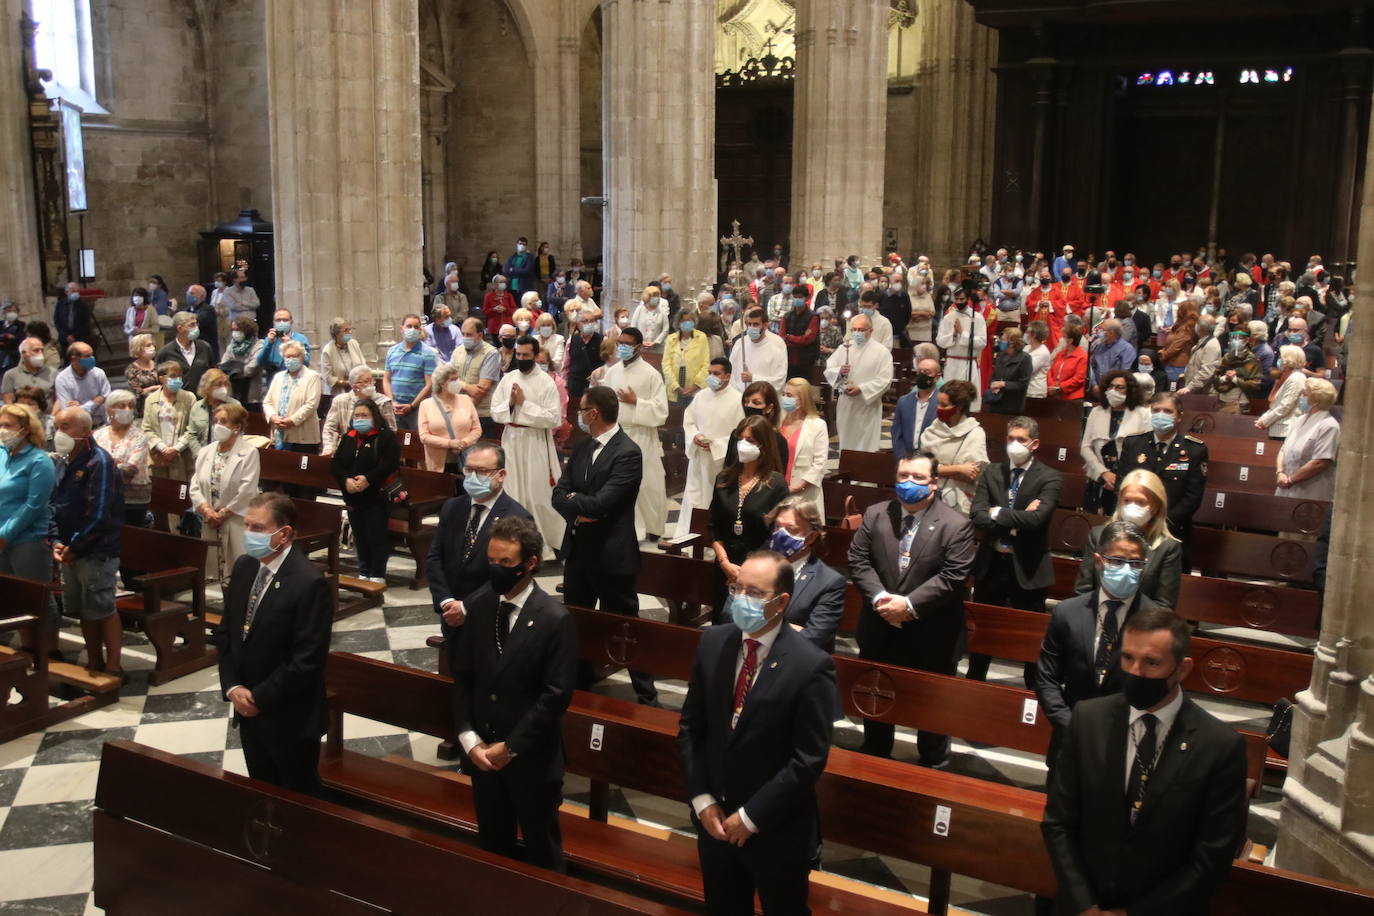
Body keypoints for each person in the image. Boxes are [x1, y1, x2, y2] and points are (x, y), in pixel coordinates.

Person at [1041, 607, 1248, 916]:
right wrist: (1085, 905)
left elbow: (1211, 857)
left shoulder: (1219, 746)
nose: (1135, 671)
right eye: (1127, 658)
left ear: (1182, 669)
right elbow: (1059, 821)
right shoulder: (1088, 719)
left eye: (1151, 662)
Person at [678, 549, 837, 914]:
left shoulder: (811, 665)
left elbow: (807, 759)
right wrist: (702, 801)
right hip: (714, 822)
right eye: (737, 589)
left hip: (775, 831)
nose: (741, 599)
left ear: (781, 602)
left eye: (755, 593)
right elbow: (691, 729)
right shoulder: (713, 642)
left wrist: (750, 818)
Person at [451, 515, 576, 871]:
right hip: (483, 757)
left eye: (505, 562)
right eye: (491, 561)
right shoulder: (482, 608)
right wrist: (470, 739)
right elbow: (463, 676)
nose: (496, 569)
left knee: (542, 853)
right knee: (492, 850)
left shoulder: (555, 619)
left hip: (530, 760)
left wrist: (511, 747)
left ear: (530, 563)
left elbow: (555, 696)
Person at [848, 450, 976, 764]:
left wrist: (908, 604)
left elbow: (953, 576)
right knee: (876, 702)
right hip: (880, 626)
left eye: (918, 477)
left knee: (931, 711)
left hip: (932, 633)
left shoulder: (956, 524)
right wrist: (880, 598)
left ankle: (932, 762)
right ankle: (875, 755)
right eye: (903, 476)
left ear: (933, 483)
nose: (909, 482)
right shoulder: (878, 513)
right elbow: (858, 560)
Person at [214, 494, 332, 792]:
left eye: (259, 528)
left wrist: (258, 699)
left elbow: (306, 660)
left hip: (289, 716)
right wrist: (233, 687)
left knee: (296, 797)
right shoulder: (245, 567)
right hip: (247, 709)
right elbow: (227, 632)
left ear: (285, 533)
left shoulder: (309, 582)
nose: (249, 533)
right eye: (248, 525)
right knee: (261, 792)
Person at [553, 386, 656, 705]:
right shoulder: (584, 446)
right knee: (577, 621)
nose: (578, 416)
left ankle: (646, 695)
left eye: (581, 410)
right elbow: (558, 494)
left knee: (624, 626)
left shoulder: (628, 452)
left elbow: (603, 504)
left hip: (612, 555)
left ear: (593, 413)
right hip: (579, 550)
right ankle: (580, 685)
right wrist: (579, 507)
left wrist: (579, 505)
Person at [1036, 520, 1162, 772]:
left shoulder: (1158, 622)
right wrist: (1071, 726)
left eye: (1136, 563)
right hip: (1069, 743)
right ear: (1098, 561)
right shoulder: (1067, 613)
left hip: (1127, 749)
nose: (1126, 569)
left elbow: (1160, 691)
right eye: (1116, 561)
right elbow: (1046, 679)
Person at [968, 417, 1062, 682]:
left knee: (1030, 639)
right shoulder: (992, 472)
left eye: (1021, 440)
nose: (1014, 444)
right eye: (1011, 439)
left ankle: (1031, 691)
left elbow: (1037, 521)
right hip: (992, 565)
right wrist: (1016, 519)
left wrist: (997, 513)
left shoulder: (1050, 477)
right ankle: (975, 683)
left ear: (1034, 444)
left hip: (1029, 568)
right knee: (983, 632)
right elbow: (977, 515)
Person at [426, 444, 533, 669]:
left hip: (490, 619)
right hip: (450, 616)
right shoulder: (452, 507)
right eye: (469, 470)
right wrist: (446, 602)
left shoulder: (517, 518)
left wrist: (466, 607)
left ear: (501, 475)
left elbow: (507, 576)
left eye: (482, 471)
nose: (474, 477)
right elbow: (435, 557)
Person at [52, 406, 125, 678]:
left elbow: (99, 513)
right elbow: (56, 504)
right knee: (84, 609)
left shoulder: (100, 462)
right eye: (58, 426)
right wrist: (57, 542)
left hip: (97, 550)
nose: (59, 433)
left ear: (84, 431)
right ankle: (94, 661)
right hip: (70, 549)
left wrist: (76, 547)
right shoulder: (63, 460)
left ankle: (114, 666)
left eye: (66, 426)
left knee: (102, 607)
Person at [492, 336, 566, 555]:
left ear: (535, 355)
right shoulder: (508, 379)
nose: (521, 359)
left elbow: (553, 419)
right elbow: (495, 411)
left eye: (526, 355)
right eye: (518, 354)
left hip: (535, 442)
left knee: (538, 493)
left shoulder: (546, 382)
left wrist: (525, 404)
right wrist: (511, 404)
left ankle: (543, 541)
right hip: (512, 440)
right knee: (512, 490)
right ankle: (514, 541)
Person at [709, 416, 791, 612]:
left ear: (764, 445)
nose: (743, 445)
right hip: (724, 567)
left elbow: (777, 535)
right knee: (723, 624)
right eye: (740, 439)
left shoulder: (776, 484)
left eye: (751, 441)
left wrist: (747, 570)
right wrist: (725, 563)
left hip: (760, 571)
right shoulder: (724, 478)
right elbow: (714, 526)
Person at [1116, 393, 1207, 569]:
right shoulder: (1134, 443)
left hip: (1173, 530)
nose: (1161, 414)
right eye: (1156, 410)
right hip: (1133, 525)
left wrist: (1159, 523)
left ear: (1179, 416)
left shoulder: (1195, 450)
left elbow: (1192, 498)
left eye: (1167, 411)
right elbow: (1121, 485)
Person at [1073, 469, 1182, 608]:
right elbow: (1083, 592)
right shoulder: (1098, 536)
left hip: (1142, 625)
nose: (1132, 506)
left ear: (1156, 506)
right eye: (1127, 500)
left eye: (1141, 502)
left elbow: (1164, 605)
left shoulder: (1168, 548)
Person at [603, 327, 670, 541]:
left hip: (642, 435)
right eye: (620, 343)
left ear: (638, 347)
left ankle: (652, 528)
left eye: (627, 344)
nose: (622, 347)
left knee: (648, 484)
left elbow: (661, 412)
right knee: (615, 484)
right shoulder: (612, 372)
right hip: (615, 434)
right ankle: (619, 526)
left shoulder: (651, 374)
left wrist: (636, 402)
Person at [0, 402, 57, 641]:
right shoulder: (2, 454)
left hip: (27, 539)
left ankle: (49, 650)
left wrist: (4, 534)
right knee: (9, 596)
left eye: (7, 426)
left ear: (24, 429)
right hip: (1, 539)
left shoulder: (39, 461)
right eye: (0, 425)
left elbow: (33, 506)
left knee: (36, 597)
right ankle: (24, 648)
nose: (2, 430)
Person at [330, 398, 400, 584]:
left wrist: (368, 479)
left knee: (375, 535)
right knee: (359, 535)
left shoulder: (385, 436)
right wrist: (345, 480)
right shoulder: (348, 437)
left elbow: (391, 463)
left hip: (376, 496)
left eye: (365, 415)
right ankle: (364, 570)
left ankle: (377, 574)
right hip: (352, 496)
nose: (360, 418)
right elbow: (337, 464)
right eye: (357, 415)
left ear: (374, 417)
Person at [190, 403, 260, 584]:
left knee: (237, 573)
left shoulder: (249, 452)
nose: (218, 426)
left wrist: (222, 514)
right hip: (209, 519)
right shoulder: (206, 451)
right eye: (216, 421)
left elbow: (247, 490)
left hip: (235, 519)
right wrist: (206, 510)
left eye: (224, 422)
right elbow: (195, 484)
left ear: (237, 427)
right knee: (214, 570)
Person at [677, 358, 745, 540]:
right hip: (699, 458)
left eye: (716, 374)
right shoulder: (700, 396)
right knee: (693, 496)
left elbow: (739, 432)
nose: (711, 377)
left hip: (720, 462)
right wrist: (696, 437)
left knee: (713, 500)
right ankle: (686, 537)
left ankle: (711, 541)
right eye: (709, 373)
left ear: (727, 376)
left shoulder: (738, 400)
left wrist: (716, 444)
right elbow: (689, 421)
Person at [767, 498, 845, 651]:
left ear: (811, 537)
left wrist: (760, 625)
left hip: (794, 663)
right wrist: (790, 628)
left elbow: (815, 638)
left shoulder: (830, 582)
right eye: (777, 527)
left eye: (791, 530)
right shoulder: (755, 565)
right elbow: (728, 617)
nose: (780, 535)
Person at [1080, 370, 1150, 516]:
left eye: (1120, 387)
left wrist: (1119, 479)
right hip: (1099, 477)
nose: (1113, 391)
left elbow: (1146, 451)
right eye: (1111, 387)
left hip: (1129, 481)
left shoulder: (1142, 414)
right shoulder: (1096, 412)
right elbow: (1085, 447)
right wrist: (1104, 473)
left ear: (1130, 390)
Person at [916, 379, 987, 515]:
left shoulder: (975, 433)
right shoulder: (931, 431)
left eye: (944, 405)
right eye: (938, 403)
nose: (939, 408)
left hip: (960, 502)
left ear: (958, 407)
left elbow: (972, 474)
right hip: (928, 496)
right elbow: (923, 469)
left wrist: (939, 469)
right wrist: (958, 468)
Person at [823, 314, 892, 453]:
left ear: (870, 331)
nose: (857, 333)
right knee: (846, 442)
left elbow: (885, 380)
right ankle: (846, 468)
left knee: (865, 444)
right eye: (854, 329)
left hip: (867, 406)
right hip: (846, 403)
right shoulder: (844, 347)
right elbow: (829, 368)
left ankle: (863, 471)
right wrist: (840, 372)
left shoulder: (881, 352)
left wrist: (861, 388)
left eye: (861, 330)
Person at [93, 390, 151, 531]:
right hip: (103, 497)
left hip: (132, 500)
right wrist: (114, 465)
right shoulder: (98, 434)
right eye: (122, 406)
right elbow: (91, 464)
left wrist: (103, 467)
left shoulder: (139, 436)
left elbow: (130, 469)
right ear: (109, 409)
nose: (128, 410)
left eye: (131, 406)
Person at [1276, 378, 1340, 500]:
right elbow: (1284, 449)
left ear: (1316, 400)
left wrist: (1290, 480)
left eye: (1304, 394)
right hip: (1285, 485)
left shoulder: (1329, 425)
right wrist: (1280, 472)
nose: (1301, 398)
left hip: (1310, 492)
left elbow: (1319, 462)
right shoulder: (1300, 420)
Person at [778, 378, 829, 520]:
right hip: (778, 487)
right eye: (784, 394)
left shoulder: (817, 425)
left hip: (804, 491)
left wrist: (799, 486)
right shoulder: (778, 421)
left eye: (789, 395)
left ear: (802, 400)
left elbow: (820, 462)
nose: (784, 398)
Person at [417, 361, 480, 474]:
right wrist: (449, 443)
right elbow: (424, 436)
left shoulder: (466, 400)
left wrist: (464, 443)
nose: (458, 383)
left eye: (458, 379)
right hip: (438, 463)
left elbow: (477, 430)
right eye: (453, 380)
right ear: (441, 383)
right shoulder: (426, 405)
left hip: (465, 459)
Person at [143, 361, 197, 488]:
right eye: (173, 376)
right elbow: (147, 428)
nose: (177, 379)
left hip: (183, 456)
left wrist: (176, 448)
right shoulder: (151, 400)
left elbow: (193, 427)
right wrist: (162, 448)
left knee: (182, 494)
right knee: (162, 494)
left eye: (180, 376)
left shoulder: (189, 398)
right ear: (161, 378)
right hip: (159, 457)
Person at [322, 365, 397, 456]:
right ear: (355, 386)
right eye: (366, 381)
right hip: (345, 449)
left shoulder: (383, 402)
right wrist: (329, 447)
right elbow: (329, 428)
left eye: (372, 380)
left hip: (374, 450)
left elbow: (392, 430)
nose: (371, 384)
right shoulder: (340, 401)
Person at [936, 286, 988, 411]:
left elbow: (982, 342)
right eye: (957, 299)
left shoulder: (977, 318)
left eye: (962, 299)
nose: (959, 302)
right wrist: (953, 334)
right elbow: (940, 341)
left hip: (968, 362)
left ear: (968, 299)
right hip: (952, 363)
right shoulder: (948, 317)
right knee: (950, 396)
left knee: (968, 399)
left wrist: (962, 333)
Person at [384, 313, 436, 432]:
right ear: (402, 328)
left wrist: (412, 405)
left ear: (420, 330)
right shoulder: (392, 351)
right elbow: (386, 379)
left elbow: (429, 384)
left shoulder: (427, 353)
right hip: (395, 408)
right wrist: (392, 402)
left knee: (416, 444)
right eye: (409, 326)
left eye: (416, 327)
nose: (412, 329)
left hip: (416, 410)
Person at [728, 308, 788, 396]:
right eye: (749, 324)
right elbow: (731, 371)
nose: (752, 327)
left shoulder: (775, 349)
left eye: (756, 324)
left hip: (763, 398)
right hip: (739, 396)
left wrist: (753, 378)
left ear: (765, 325)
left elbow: (779, 380)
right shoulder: (740, 344)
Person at [892, 356, 941, 461]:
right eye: (920, 371)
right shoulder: (903, 401)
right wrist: (903, 457)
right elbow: (897, 433)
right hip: (907, 459)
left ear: (936, 378)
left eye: (927, 372)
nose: (922, 375)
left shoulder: (943, 403)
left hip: (933, 460)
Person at [1256, 343, 1307, 438]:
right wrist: (1263, 419)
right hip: (1279, 428)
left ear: (1289, 360)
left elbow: (1285, 406)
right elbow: (1276, 404)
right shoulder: (1287, 376)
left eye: (1281, 357)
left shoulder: (1296, 378)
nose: (1279, 360)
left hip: (1286, 431)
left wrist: (1265, 421)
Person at [54, 342, 111, 427]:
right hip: (80, 427)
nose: (92, 358)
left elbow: (106, 397)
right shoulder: (62, 379)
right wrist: (95, 401)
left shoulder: (98, 373)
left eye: (92, 355)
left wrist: (80, 407)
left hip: (103, 423)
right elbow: (69, 412)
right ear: (74, 359)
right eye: (87, 356)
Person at [662, 308, 709, 407]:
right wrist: (676, 386)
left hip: (696, 386)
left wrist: (695, 386)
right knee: (676, 416)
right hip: (675, 385)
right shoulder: (671, 339)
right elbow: (666, 365)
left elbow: (706, 364)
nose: (687, 323)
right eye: (684, 321)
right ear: (678, 323)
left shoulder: (701, 337)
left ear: (694, 322)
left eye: (690, 320)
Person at [256, 309, 313, 390]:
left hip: (296, 381)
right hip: (273, 383)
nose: (282, 323)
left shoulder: (300, 339)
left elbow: (306, 362)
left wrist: (291, 344)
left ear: (291, 321)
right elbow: (260, 362)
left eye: (285, 320)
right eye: (278, 320)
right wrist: (269, 344)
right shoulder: (269, 339)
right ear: (273, 322)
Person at [186, 368, 239, 450]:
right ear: (208, 387)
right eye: (219, 384)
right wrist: (201, 455)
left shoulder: (235, 405)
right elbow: (191, 435)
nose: (223, 388)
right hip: (202, 455)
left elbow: (238, 433)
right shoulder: (197, 406)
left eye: (225, 384)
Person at [219, 317, 267, 406]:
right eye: (233, 330)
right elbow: (223, 366)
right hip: (233, 392)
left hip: (252, 395)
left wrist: (234, 370)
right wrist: (239, 368)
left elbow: (250, 370)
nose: (235, 333)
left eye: (237, 329)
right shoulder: (232, 346)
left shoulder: (259, 345)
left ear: (247, 330)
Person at [985, 326, 1032, 415]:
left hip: (1012, 405)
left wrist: (1003, 384)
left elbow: (1023, 384)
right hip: (995, 402)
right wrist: (993, 384)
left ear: (1012, 342)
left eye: (1003, 340)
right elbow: (994, 376)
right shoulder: (1000, 356)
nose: (1000, 342)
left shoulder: (1025, 358)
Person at [780, 285, 820, 380]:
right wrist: (797, 339)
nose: (797, 299)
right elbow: (782, 337)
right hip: (788, 359)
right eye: (795, 297)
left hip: (806, 360)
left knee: (804, 388)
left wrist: (789, 337)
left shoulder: (813, 317)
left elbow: (808, 339)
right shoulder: (786, 316)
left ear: (806, 298)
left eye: (800, 297)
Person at [1176, 314, 1222, 396]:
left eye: (1197, 323)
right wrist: (1186, 374)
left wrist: (1189, 387)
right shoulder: (1203, 342)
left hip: (1203, 393)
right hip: (1196, 390)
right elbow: (1196, 364)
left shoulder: (1211, 346)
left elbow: (1206, 371)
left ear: (1200, 327)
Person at [320, 317, 368, 395]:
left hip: (357, 391)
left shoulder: (354, 343)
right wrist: (347, 383)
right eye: (346, 330)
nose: (350, 332)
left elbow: (363, 365)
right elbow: (328, 378)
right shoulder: (327, 351)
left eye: (350, 329)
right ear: (336, 333)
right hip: (337, 393)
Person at [2, 337, 56, 404]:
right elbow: (8, 401)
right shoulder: (10, 375)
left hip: (48, 414)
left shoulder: (53, 373)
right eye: (36, 350)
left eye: (42, 350)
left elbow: (59, 399)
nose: (40, 353)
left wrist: (53, 414)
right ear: (24, 353)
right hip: (21, 413)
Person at [1025, 321, 1052, 399]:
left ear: (1034, 334)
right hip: (1026, 389)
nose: (1026, 333)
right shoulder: (1027, 348)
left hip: (1035, 392)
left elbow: (1028, 369)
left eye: (1028, 331)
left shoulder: (1043, 352)